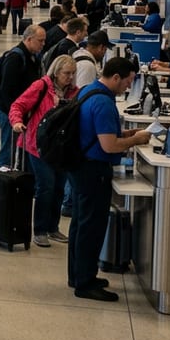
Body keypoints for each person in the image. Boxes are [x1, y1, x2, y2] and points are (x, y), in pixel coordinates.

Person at [69, 58, 152, 302]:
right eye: (128, 81)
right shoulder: (104, 102)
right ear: (116, 77)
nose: (128, 86)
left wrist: (126, 133)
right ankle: (85, 283)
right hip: (93, 171)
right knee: (91, 228)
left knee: (80, 224)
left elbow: (99, 133)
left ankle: (78, 275)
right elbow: (109, 145)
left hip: (79, 166)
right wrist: (136, 140)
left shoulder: (88, 91)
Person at [10, 55, 79, 248]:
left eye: (73, 73)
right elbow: (18, 105)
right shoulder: (41, 86)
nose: (70, 77)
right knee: (46, 186)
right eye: (66, 73)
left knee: (59, 187)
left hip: (61, 148)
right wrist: (17, 121)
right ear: (56, 72)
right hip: (38, 145)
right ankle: (40, 229)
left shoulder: (75, 92)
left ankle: (52, 227)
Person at [0, 25, 46, 168]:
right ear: (29, 39)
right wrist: (15, 114)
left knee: (18, 149)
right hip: (9, 113)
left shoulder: (32, 56)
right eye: (40, 40)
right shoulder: (15, 58)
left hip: (21, 112)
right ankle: (2, 177)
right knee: (8, 151)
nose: (43, 44)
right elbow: (6, 90)